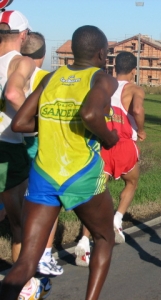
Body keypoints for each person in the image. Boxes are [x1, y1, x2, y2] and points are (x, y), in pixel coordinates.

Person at [0, 25, 119, 300]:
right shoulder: (102, 79)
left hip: (43, 174)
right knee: (104, 238)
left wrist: (55, 120)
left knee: (26, 263)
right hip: (80, 173)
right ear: (101, 54)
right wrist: (109, 138)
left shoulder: (51, 78)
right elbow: (90, 114)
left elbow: (19, 123)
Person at [75, 51, 146, 267]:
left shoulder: (103, 85)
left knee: (95, 194)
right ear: (134, 70)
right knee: (132, 181)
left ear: (114, 68)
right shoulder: (134, 89)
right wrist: (141, 129)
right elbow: (137, 108)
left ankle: (84, 242)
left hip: (103, 143)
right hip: (124, 143)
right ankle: (117, 219)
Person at [0, 10, 52, 299]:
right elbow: (13, 94)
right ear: (23, 36)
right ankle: (24, 286)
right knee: (19, 222)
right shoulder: (21, 61)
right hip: (7, 145)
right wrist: (35, 125)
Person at [20, 31, 64, 276]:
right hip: (39, 141)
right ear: (43, 54)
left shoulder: (11, 69)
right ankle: (44, 254)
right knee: (48, 199)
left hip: (11, 140)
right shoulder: (47, 78)